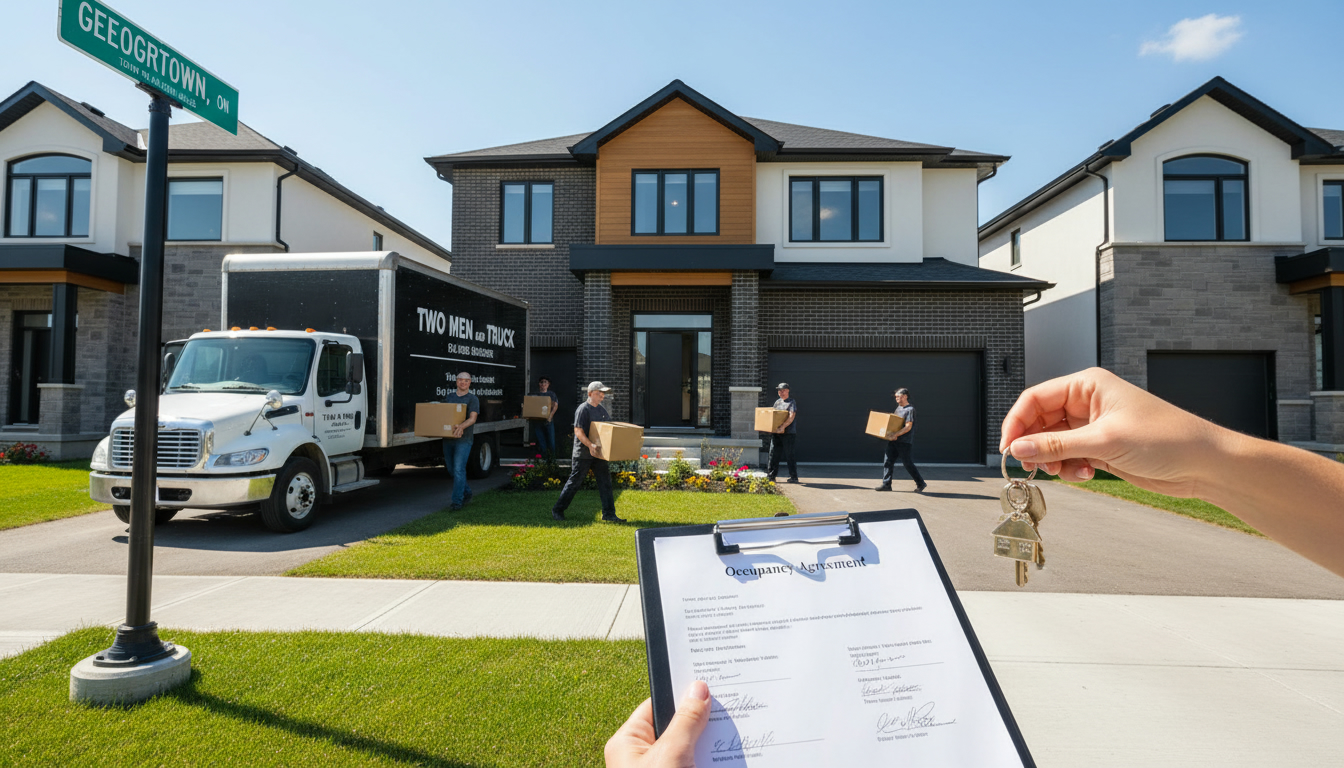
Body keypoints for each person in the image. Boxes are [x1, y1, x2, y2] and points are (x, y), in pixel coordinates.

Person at [604, 366, 1344, 766]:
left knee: (903, 466)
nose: (895, 399)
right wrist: (1208, 465)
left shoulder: (904, 409)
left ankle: (907, 483)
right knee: (895, 471)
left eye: (897, 396)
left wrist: (1209, 464)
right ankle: (905, 482)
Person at [551, 381, 625, 523]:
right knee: (574, 483)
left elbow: (607, 430)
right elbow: (578, 431)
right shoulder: (583, 409)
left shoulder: (601, 410)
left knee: (605, 483)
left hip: (598, 454)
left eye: (603, 393)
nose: (602, 396)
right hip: (583, 454)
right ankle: (558, 510)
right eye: (599, 393)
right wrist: (590, 445)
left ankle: (609, 514)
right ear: (590, 393)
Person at [875, 387, 926, 493]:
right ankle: (886, 485)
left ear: (905, 396)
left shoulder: (909, 410)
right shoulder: (898, 408)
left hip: (904, 442)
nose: (897, 398)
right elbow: (894, 424)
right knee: (888, 462)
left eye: (899, 396)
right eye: (896, 397)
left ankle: (920, 483)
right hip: (893, 440)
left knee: (907, 463)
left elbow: (908, 427)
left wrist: (896, 434)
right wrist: (888, 433)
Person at [442, 371, 480, 511]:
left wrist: (461, 426)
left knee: (459, 469)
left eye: (466, 380)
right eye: (460, 380)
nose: (463, 382)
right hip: (448, 438)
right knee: (452, 470)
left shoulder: (472, 399)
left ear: (469, 383)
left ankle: (457, 502)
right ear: (456, 381)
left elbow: (473, 418)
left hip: (464, 439)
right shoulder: (449, 397)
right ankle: (467, 492)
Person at [766, 383, 798, 484]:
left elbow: (791, 416)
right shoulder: (777, 403)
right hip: (776, 433)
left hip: (788, 433)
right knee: (773, 454)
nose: (781, 392)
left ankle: (793, 477)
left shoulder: (791, 402)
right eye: (779, 391)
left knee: (790, 455)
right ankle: (771, 476)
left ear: (788, 391)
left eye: (783, 390)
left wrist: (783, 427)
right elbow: (773, 417)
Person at [533, 375, 559, 459]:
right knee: (541, 441)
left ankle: (552, 459)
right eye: (541, 382)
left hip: (548, 420)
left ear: (548, 384)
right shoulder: (535, 395)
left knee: (551, 441)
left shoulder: (551, 394)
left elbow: (555, 405)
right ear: (539, 384)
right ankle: (544, 459)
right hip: (537, 421)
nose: (543, 384)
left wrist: (550, 416)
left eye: (545, 382)